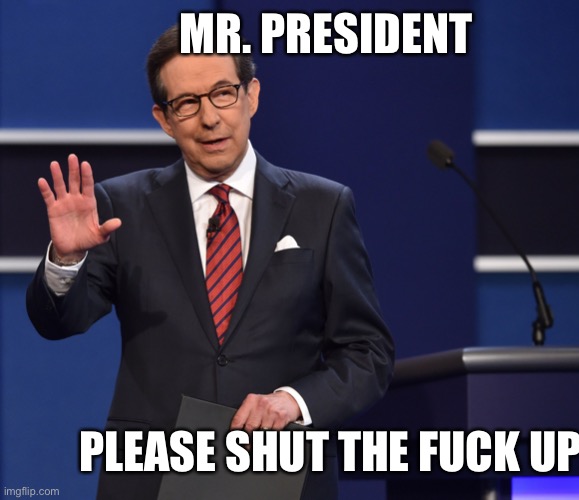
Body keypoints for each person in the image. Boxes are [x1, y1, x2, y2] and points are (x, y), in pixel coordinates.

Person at [25, 24, 394, 500]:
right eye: (186, 103)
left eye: (223, 93)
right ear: (164, 118)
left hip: (280, 474)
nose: (209, 118)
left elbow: (367, 353)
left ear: (251, 95)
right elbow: (60, 323)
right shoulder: (121, 207)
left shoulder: (323, 206)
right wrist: (66, 259)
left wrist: (294, 401)